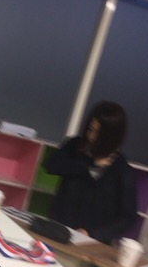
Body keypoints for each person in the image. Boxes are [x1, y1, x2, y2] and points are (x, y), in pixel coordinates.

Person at [46, 101, 137, 245]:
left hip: (91, 241)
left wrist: (93, 233)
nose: (92, 137)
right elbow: (51, 166)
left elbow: (128, 216)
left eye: (100, 134)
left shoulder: (121, 169)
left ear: (113, 137)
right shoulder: (75, 146)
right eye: (90, 129)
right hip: (59, 228)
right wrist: (90, 163)